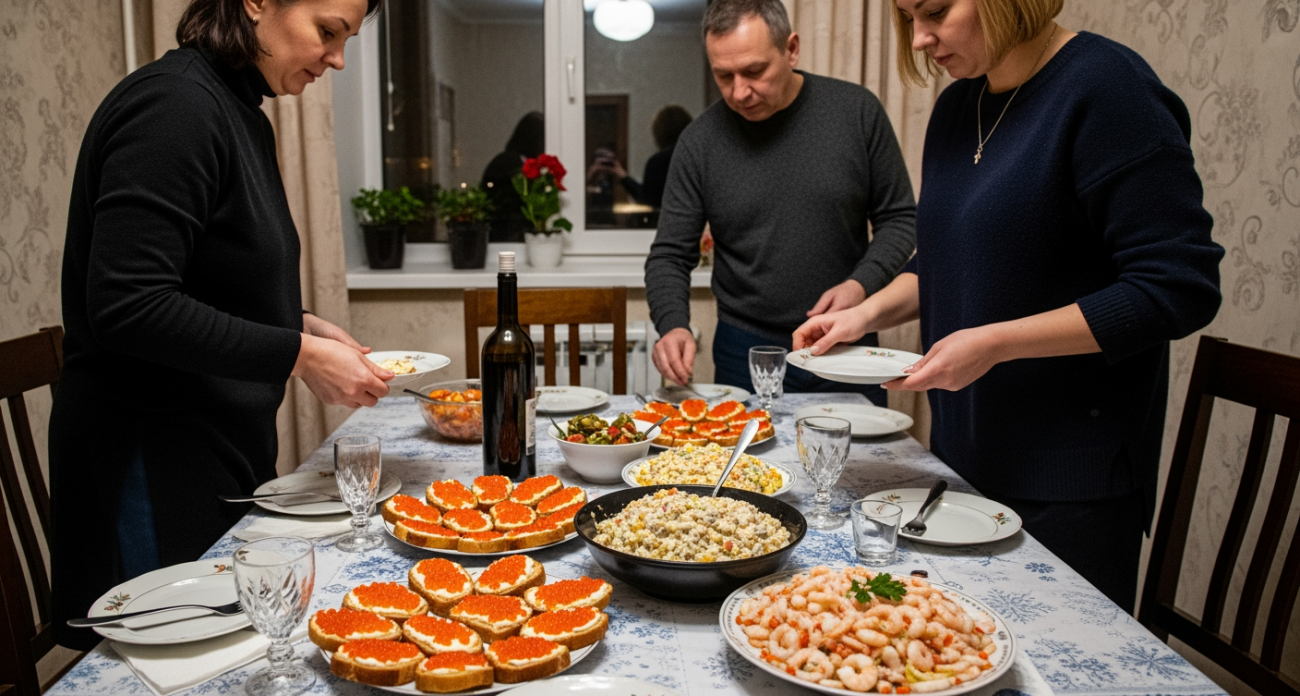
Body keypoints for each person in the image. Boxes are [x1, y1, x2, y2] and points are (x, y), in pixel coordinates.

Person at [793, 0, 1224, 611]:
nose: (918, 39)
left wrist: (996, 343)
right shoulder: (956, 104)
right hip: (961, 462)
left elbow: (1179, 287)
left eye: (936, 11)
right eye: (907, 16)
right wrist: (862, 315)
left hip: (1070, 480)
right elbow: (947, 262)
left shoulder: (1107, 89)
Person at [49, 0, 388, 650]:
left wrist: (305, 327)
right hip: (148, 458)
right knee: (166, 666)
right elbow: (129, 304)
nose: (338, 59)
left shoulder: (241, 114)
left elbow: (213, 282)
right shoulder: (175, 107)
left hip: (210, 449)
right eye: (327, 32)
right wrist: (299, 354)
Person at [644, 0, 916, 406]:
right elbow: (669, 254)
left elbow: (900, 219)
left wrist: (861, 285)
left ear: (791, 49)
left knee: (857, 467)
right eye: (723, 76)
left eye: (754, 71)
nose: (740, 91)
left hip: (843, 339)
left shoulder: (857, 112)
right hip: (744, 348)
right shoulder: (699, 142)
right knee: (748, 467)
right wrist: (673, 325)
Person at [611, 105, 693, 209]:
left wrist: (624, 179)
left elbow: (647, 200)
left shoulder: (658, 161)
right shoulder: (698, 159)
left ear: (659, 132)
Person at [481, 111, 544, 242]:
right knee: (507, 262)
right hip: (504, 237)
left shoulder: (513, 160)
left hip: (506, 234)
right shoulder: (509, 163)